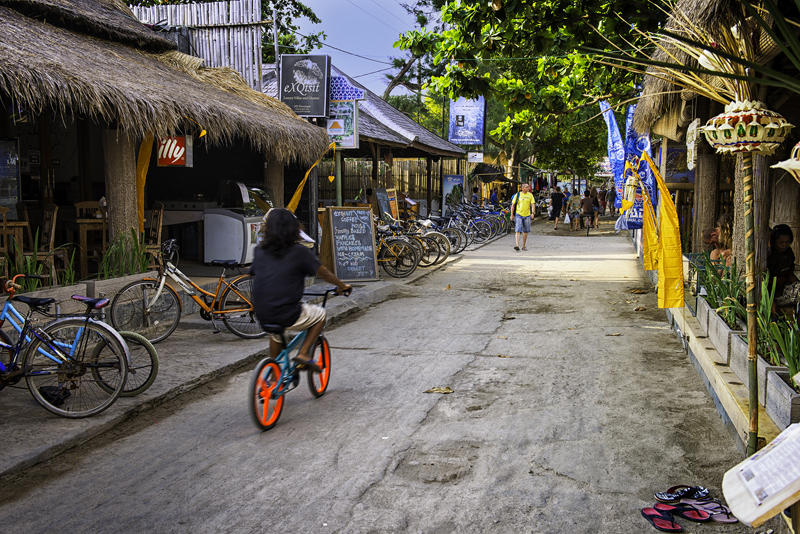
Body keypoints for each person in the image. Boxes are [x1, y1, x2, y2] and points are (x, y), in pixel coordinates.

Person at [251, 209, 352, 372]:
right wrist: (342, 286)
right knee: (320, 314)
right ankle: (304, 353)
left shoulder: (259, 251)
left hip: (262, 312)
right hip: (287, 312)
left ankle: (274, 373)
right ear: (293, 228)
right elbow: (324, 273)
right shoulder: (299, 252)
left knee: (276, 334)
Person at [767, 224, 800, 311]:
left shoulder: (789, 253)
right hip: (775, 294)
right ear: (774, 242)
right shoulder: (770, 256)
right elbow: (765, 282)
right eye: (781, 243)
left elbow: (790, 274)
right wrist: (771, 301)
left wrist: (798, 284)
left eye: (787, 242)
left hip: (786, 288)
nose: (784, 245)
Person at [510, 183, 534, 251]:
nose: (528, 188)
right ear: (522, 188)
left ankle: (523, 245)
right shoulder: (517, 195)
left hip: (527, 215)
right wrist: (512, 215)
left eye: (528, 187)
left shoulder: (530, 195)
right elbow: (513, 205)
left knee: (525, 231)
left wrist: (533, 213)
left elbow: (533, 204)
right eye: (526, 187)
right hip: (518, 215)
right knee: (518, 230)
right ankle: (517, 245)